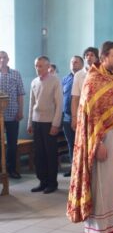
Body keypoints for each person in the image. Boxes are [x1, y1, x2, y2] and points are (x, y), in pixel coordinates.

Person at [67, 41, 113, 233]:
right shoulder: (93, 81)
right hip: (104, 140)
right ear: (104, 57)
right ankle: (102, 227)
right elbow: (92, 118)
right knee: (104, 183)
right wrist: (97, 145)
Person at [28, 56, 63, 194]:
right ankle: (42, 181)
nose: (38, 68)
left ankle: (52, 183)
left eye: (41, 66)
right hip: (37, 121)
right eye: (36, 65)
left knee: (50, 154)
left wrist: (55, 124)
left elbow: (59, 104)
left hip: (49, 122)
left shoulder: (55, 81)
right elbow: (31, 103)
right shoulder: (34, 82)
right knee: (39, 154)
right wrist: (30, 122)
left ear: (48, 67)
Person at [0, 51, 25, 179]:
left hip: (12, 113)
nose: (2, 60)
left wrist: (20, 111)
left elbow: (20, 94)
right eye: (0, 58)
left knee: (12, 143)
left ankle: (11, 169)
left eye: (4, 57)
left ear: (8, 59)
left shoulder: (16, 74)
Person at [61, 55, 84, 177]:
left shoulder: (85, 77)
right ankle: (73, 167)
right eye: (72, 62)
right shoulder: (65, 79)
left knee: (81, 143)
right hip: (66, 117)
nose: (73, 63)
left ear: (82, 64)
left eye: (76, 62)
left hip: (80, 117)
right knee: (71, 144)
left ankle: (82, 169)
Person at [70, 47, 99, 130]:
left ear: (97, 58)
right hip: (83, 111)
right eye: (87, 55)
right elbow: (75, 98)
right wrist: (74, 117)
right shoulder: (78, 75)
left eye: (92, 55)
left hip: (97, 112)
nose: (89, 57)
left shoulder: (101, 73)